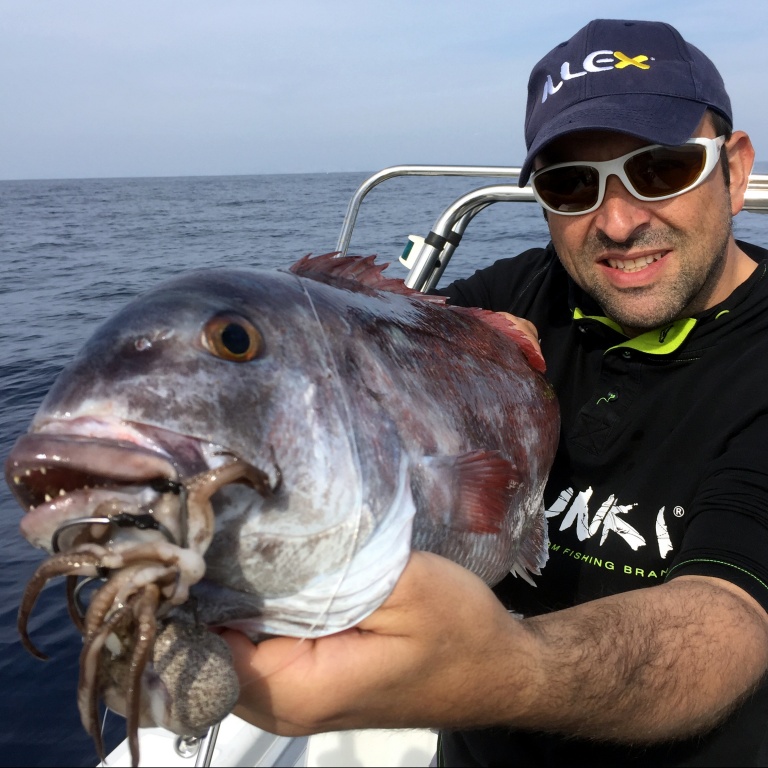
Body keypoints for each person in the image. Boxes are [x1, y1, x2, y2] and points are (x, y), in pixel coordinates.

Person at [220, 18, 768, 766]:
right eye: (571, 184)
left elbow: (729, 621)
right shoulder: (513, 298)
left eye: (662, 169)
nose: (617, 220)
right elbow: (352, 383)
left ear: (734, 171)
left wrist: (506, 666)